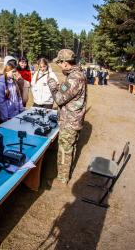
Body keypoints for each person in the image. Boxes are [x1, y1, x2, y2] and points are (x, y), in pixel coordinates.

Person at [48, 49, 87, 184]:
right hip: (74, 120)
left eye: (59, 62)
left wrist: (53, 87)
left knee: (64, 151)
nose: (58, 65)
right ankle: (67, 174)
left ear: (65, 63)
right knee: (71, 148)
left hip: (69, 122)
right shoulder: (77, 74)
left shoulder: (74, 78)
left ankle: (62, 179)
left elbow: (59, 99)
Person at [0, 57, 24, 124]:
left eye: (15, 71)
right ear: (6, 71)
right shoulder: (1, 84)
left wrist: (21, 110)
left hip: (15, 115)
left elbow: (18, 97)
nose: (15, 73)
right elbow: (1, 103)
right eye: (13, 71)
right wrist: (5, 118)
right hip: (6, 117)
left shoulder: (14, 82)